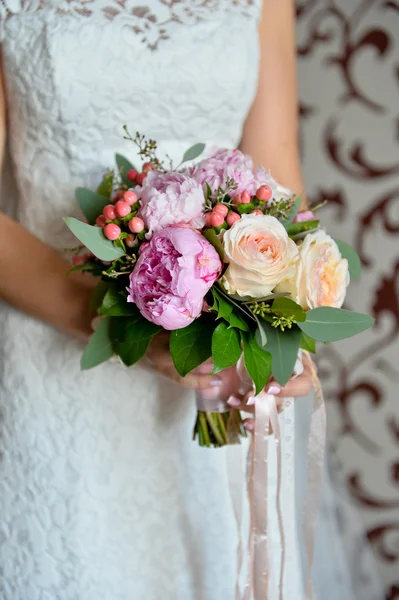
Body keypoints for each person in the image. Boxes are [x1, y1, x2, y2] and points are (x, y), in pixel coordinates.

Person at [0, 1, 381, 599]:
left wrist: (279, 329)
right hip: (52, 365)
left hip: (210, 380)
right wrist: (136, 333)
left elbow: (278, 182)